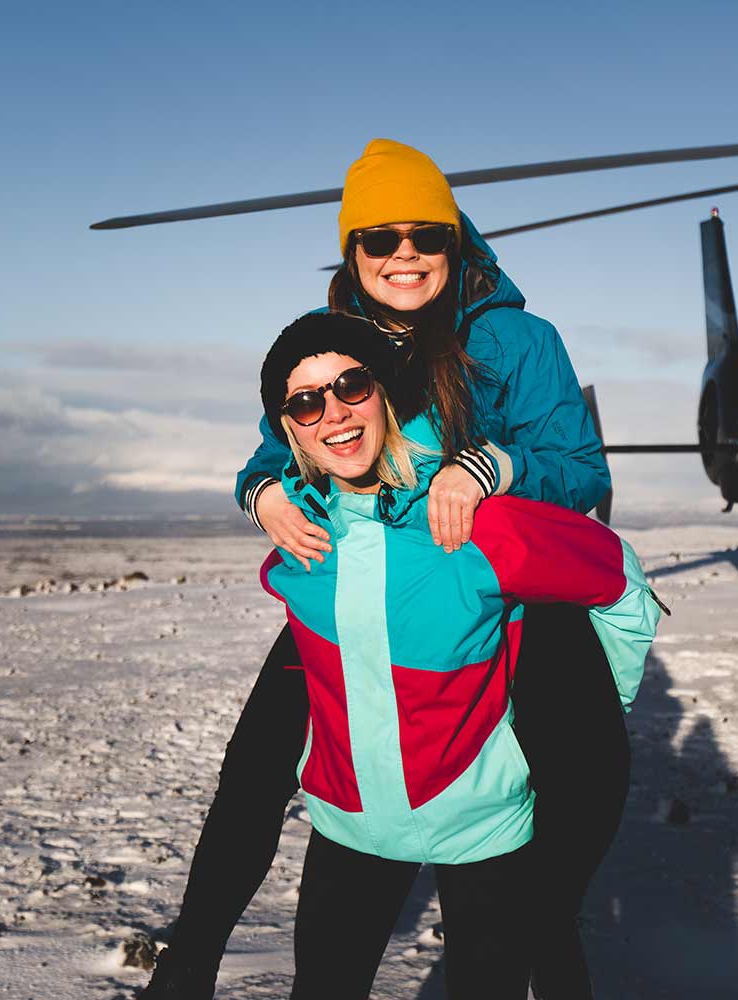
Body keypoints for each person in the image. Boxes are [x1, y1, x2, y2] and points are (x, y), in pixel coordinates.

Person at [143, 140, 633, 999]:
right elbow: (273, 444)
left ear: (455, 241)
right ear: (352, 251)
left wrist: (493, 467)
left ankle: (551, 959)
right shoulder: (337, 344)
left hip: (502, 595)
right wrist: (259, 491)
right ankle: (187, 969)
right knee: (255, 767)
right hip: (361, 591)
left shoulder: (515, 338)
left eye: (425, 235)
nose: (404, 254)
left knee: (554, 821)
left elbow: (582, 467)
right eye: (379, 238)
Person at [255, 313, 661, 998]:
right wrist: (260, 492)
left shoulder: (471, 520)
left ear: (383, 393)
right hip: (346, 829)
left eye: (352, 385)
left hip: (485, 832)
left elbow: (620, 581)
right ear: (289, 427)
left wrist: (599, 710)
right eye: (306, 400)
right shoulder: (298, 550)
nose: (334, 413)